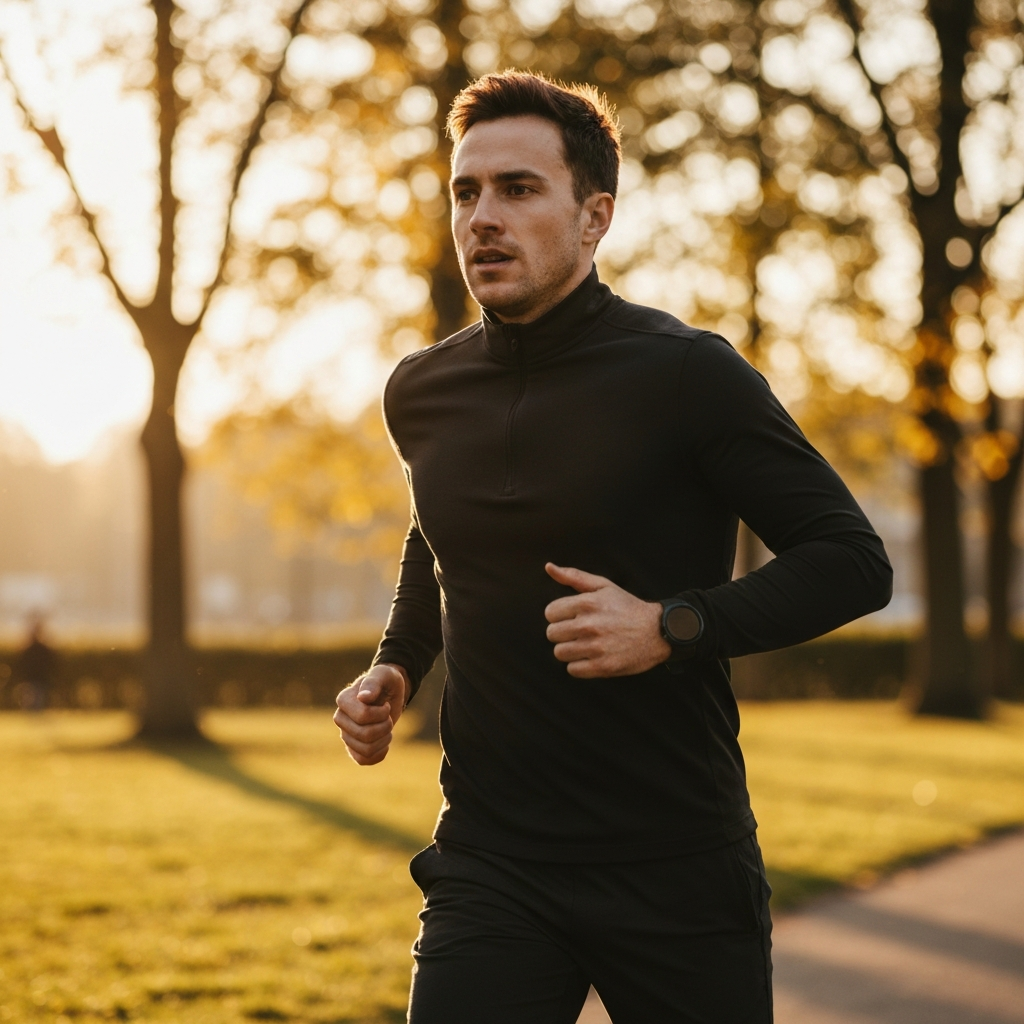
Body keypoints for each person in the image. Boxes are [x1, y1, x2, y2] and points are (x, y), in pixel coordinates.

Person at [334, 71, 892, 1024]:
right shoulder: (421, 392)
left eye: (518, 189)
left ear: (595, 218)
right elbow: (437, 537)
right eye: (466, 192)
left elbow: (851, 559)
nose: (481, 218)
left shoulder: (688, 375)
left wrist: (672, 626)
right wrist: (397, 661)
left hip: (675, 862)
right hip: (492, 859)